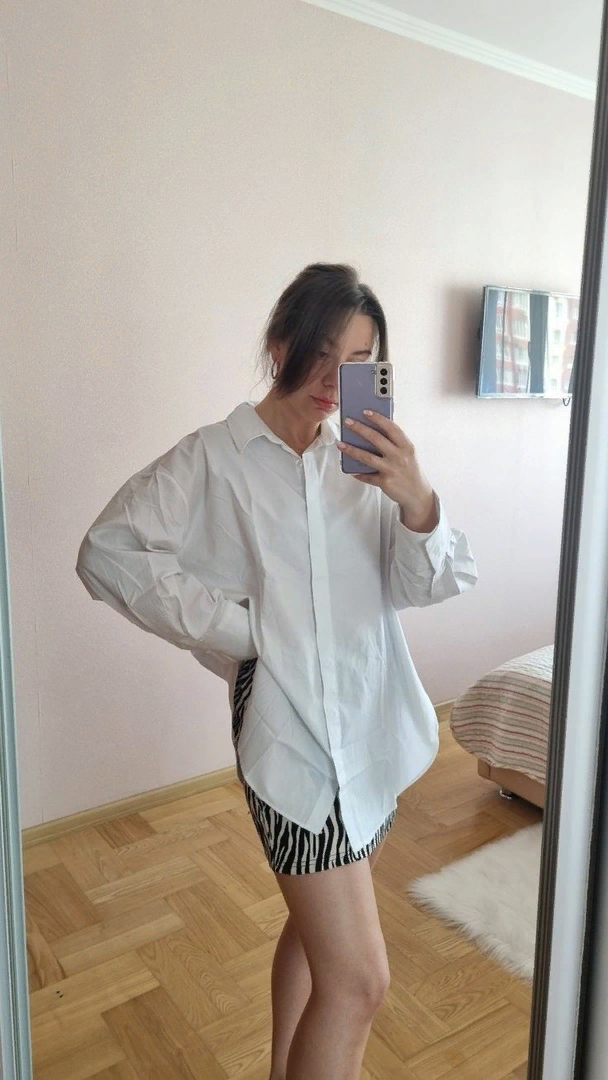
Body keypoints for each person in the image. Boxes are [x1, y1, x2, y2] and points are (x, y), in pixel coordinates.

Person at [76, 262, 478, 1080]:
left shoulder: (364, 464)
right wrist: (245, 629)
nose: (334, 382)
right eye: (321, 353)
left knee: (314, 935)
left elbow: (422, 585)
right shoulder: (214, 459)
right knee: (360, 982)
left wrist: (416, 499)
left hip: (368, 726)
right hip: (288, 731)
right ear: (278, 344)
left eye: (357, 362)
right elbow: (108, 552)